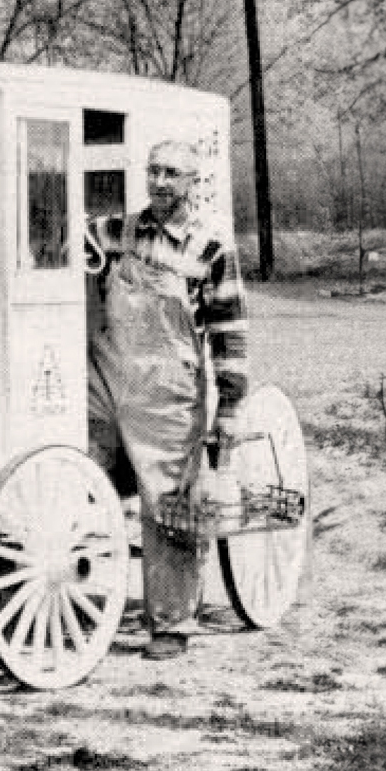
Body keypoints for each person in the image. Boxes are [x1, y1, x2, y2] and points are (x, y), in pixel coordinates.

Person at [86, 139, 249, 660]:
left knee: (168, 505)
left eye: (171, 174)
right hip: (107, 379)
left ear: (192, 182)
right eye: (153, 171)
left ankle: (171, 623)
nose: (159, 182)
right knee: (80, 479)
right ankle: (90, 601)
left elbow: (229, 332)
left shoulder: (211, 247)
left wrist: (229, 407)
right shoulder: (115, 230)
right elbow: (68, 247)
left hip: (166, 391)